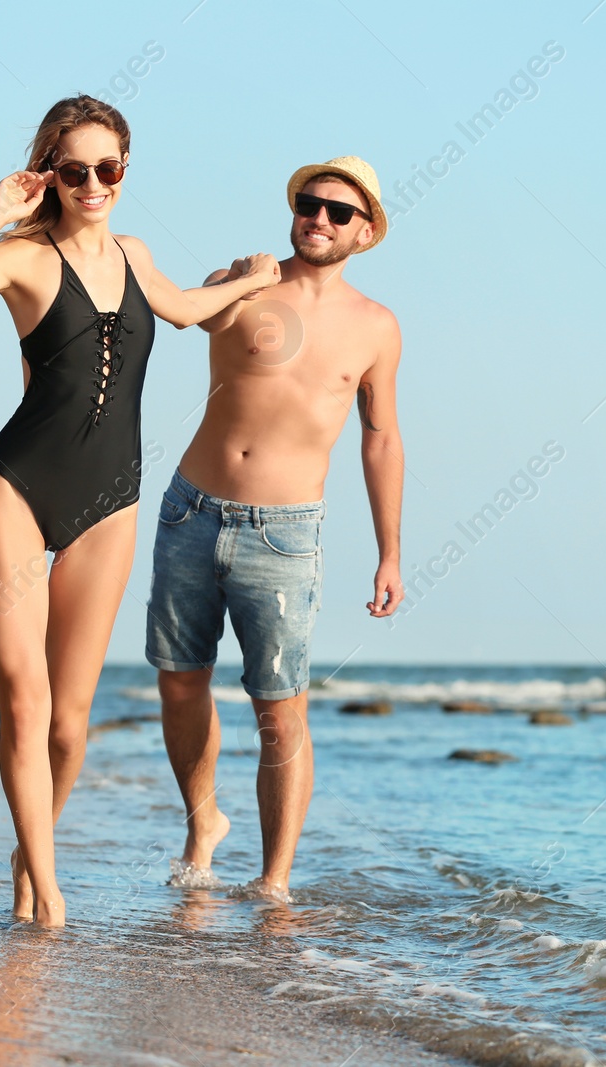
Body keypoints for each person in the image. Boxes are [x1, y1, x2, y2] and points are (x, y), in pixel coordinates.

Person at [0, 95, 279, 926]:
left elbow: (184, 308)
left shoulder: (135, 252)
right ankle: (45, 891)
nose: (91, 183)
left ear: (124, 170)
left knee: (70, 725)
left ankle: (26, 852)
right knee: (24, 697)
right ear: (51, 173)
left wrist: (258, 278)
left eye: (106, 168)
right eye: (73, 170)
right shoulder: (21, 256)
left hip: (111, 500)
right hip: (16, 489)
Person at [146, 156, 404, 902]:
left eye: (337, 212)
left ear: (364, 231)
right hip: (192, 508)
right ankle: (203, 825)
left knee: (279, 706)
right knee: (179, 683)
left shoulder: (376, 327)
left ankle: (275, 880)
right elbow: (186, 312)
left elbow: (381, 438)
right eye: (309, 204)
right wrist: (239, 280)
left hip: (286, 532)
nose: (318, 220)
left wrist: (391, 552)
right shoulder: (249, 279)